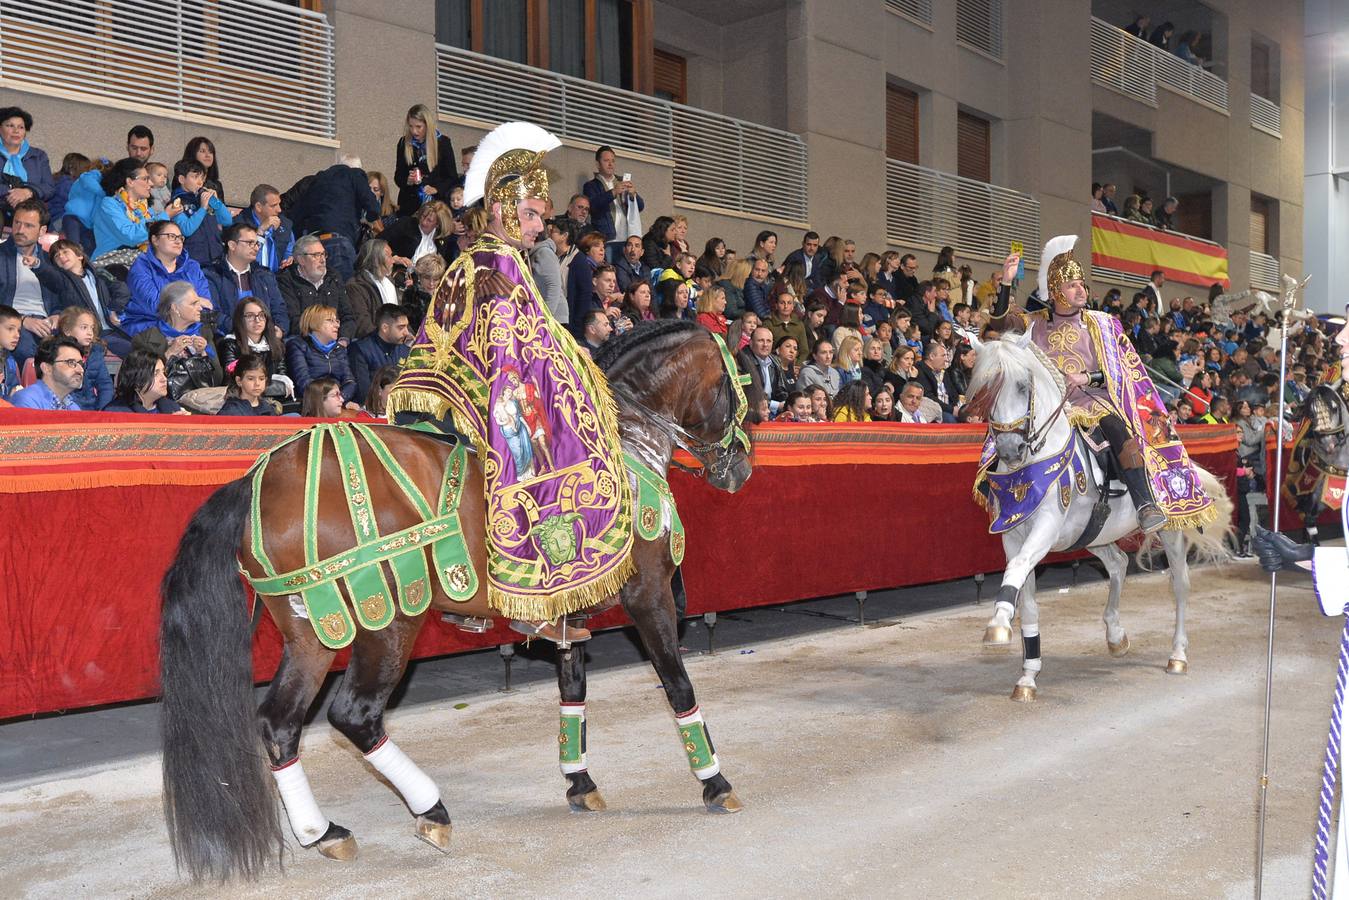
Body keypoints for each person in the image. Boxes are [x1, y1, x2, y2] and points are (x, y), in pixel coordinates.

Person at [388, 120, 638, 646]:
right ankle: (534, 597)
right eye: (530, 216)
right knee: (553, 452)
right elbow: (520, 356)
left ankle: (472, 600)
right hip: (478, 397)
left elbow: (527, 341)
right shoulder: (499, 261)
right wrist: (579, 384)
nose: (537, 228)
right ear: (500, 210)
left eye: (542, 219)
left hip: (437, 388)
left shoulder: (475, 258)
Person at [991, 236, 1215, 534]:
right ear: (1057, 290)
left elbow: (1123, 369)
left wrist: (1086, 377)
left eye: (1082, 284)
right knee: (1006, 432)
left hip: (1091, 400)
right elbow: (1000, 324)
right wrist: (1006, 283)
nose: (1081, 289)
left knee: (1117, 429)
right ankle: (998, 491)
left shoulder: (1103, 323)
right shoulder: (1036, 322)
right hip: (1048, 405)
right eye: (1073, 285)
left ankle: (1144, 503)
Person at [2, 198, 74, 366]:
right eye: (17, 223)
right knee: (30, 354)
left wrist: (57, 315)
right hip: (13, 323)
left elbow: (62, 293)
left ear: (42, 231)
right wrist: (22, 319)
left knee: (71, 354)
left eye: (28, 225)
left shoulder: (50, 261)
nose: (19, 230)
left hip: (47, 324)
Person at [288, 154, 381, 282]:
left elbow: (297, 213)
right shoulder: (355, 174)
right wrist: (367, 218)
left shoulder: (318, 179)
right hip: (339, 243)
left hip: (313, 245)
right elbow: (373, 208)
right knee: (341, 292)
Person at [122, 220, 213, 336]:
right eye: (171, 236)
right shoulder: (141, 267)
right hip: (149, 329)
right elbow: (156, 307)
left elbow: (207, 307)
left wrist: (189, 306)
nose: (178, 241)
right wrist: (194, 301)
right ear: (155, 240)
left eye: (180, 238)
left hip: (191, 328)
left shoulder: (192, 267)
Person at [132, 282, 223, 398]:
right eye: (193, 304)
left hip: (202, 404)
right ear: (175, 308)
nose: (200, 308)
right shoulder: (144, 340)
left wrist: (204, 352)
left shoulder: (205, 333)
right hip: (165, 406)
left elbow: (218, 379)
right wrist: (169, 354)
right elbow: (144, 384)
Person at [48, 239, 132, 357]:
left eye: (65, 252)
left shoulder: (99, 273)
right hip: (91, 335)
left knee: (145, 345)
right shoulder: (61, 282)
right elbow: (46, 275)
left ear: (80, 256)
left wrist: (113, 309)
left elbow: (122, 290)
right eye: (56, 256)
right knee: (134, 352)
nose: (61, 257)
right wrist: (36, 265)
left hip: (113, 328)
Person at [91, 158, 182, 263]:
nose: (151, 184)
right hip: (113, 262)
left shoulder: (144, 208)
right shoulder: (110, 204)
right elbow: (130, 236)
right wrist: (165, 216)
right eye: (145, 179)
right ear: (130, 182)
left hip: (139, 260)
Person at [205, 222, 290, 334]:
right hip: (228, 339)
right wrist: (243, 330)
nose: (256, 248)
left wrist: (280, 328)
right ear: (232, 245)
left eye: (256, 243)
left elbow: (279, 308)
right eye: (250, 243)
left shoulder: (264, 275)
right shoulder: (212, 274)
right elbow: (213, 313)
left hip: (264, 338)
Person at [276, 234, 353, 338]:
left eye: (323, 254)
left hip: (335, 341)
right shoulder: (287, 280)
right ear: (301, 260)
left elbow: (348, 316)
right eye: (316, 255)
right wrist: (321, 336)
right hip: (304, 342)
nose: (322, 260)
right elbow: (293, 322)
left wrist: (343, 340)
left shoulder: (334, 277)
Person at [286, 303, 359, 407]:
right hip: (311, 404)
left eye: (337, 321)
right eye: (330, 321)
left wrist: (340, 399)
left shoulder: (339, 349)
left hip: (336, 402)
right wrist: (329, 400)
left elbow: (350, 382)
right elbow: (304, 383)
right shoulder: (298, 345)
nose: (337, 325)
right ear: (314, 323)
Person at [394, 104, 458, 216]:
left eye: (419, 127)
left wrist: (436, 189)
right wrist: (408, 181)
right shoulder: (403, 143)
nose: (414, 131)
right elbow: (398, 176)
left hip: (435, 205)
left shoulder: (443, 143)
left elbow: (452, 177)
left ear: (428, 125)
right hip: (409, 205)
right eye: (410, 126)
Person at [581, 145, 644, 260]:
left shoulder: (622, 181)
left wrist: (633, 194)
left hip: (626, 238)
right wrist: (613, 192)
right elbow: (593, 206)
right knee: (609, 270)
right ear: (597, 164)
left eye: (613, 161)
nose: (610, 164)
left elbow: (640, 207)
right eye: (606, 161)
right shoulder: (591, 185)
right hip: (607, 238)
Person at [170, 159, 233, 268]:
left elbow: (227, 221)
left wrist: (217, 203)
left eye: (202, 178)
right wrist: (203, 208)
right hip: (193, 261)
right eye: (195, 177)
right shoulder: (177, 202)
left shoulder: (202, 197)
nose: (200, 182)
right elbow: (186, 229)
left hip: (216, 257)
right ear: (181, 179)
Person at [218, 297, 288, 387]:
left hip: (273, 396)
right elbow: (233, 378)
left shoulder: (276, 344)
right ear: (240, 319)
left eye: (261, 315)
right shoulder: (230, 344)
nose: (257, 320)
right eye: (250, 316)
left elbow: (282, 376)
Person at [0, 107, 54, 217]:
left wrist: (27, 192)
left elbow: (49, 187)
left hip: (29, 208)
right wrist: (12, 192)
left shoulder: (39, 156)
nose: (16, 131)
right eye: (10, 126)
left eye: (21, 127)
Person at [350, 303, 410, 400]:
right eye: (401, 327)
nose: (406, 332)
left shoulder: (405, 351)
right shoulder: (361, 350)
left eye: (407, 327)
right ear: (385, 328)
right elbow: (363, 392)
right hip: (371, 410)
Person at [57, 306, 113, 410]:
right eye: (84, 327)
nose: (90, 333)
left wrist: (103, 411)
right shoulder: (57, 354)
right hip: (68, 410)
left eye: (92, 328)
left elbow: (105, 385)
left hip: (93, 409)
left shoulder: (95, 353)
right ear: (67, 330)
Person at [345, 239, 400, 340]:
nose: (393, 261)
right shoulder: (355, 286)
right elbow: (363, 325)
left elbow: (401, 316)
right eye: (388, 256)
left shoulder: (390, 283)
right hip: (373, 343)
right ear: (376, 259)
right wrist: (387, 338)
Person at [10, 335, 83, 410]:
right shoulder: (26, 400)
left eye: (80, 363)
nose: (80, 370)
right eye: (71, 362)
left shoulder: (74, 407)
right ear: (47, 368)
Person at [383, 199, 456, 266]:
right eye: (423, 216)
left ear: (438, 224)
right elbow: (380, 240)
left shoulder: (441, 238)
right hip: (398, 271)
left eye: (429, 220)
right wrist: (394, 257)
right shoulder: (406, 223)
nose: (424, 222)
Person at [244, 184, 294, 273]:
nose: (279, 210)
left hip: (276, 281)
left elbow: (290, 251)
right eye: (273, 205)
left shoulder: (285, 224)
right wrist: (260, 231)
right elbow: (243, 257)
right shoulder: (240, 225)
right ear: (258, 207)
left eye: (279, 204)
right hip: (250, 277)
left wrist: (289, 259)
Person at [738, 325, 787, 415]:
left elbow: (781, 389)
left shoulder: (775, 361)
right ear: (751, 343)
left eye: (768, 341)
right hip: (751, 413)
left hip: (773, 411)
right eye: (760, 340)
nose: (765, 345)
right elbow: (747, 396)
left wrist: (786, 404)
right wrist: (776, 405)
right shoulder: (742, 361)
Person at [404, 253, 446, 334]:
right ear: (419, 277)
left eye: (436, 279)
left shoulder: (445, 294)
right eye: (427, 278)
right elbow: (411, 326)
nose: (431, 283)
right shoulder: (411, 294)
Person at [0, 305, 21, 400]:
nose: (17, 335)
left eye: (19, 330)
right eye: (10, 329)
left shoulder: (10, 360)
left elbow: (13, 387)